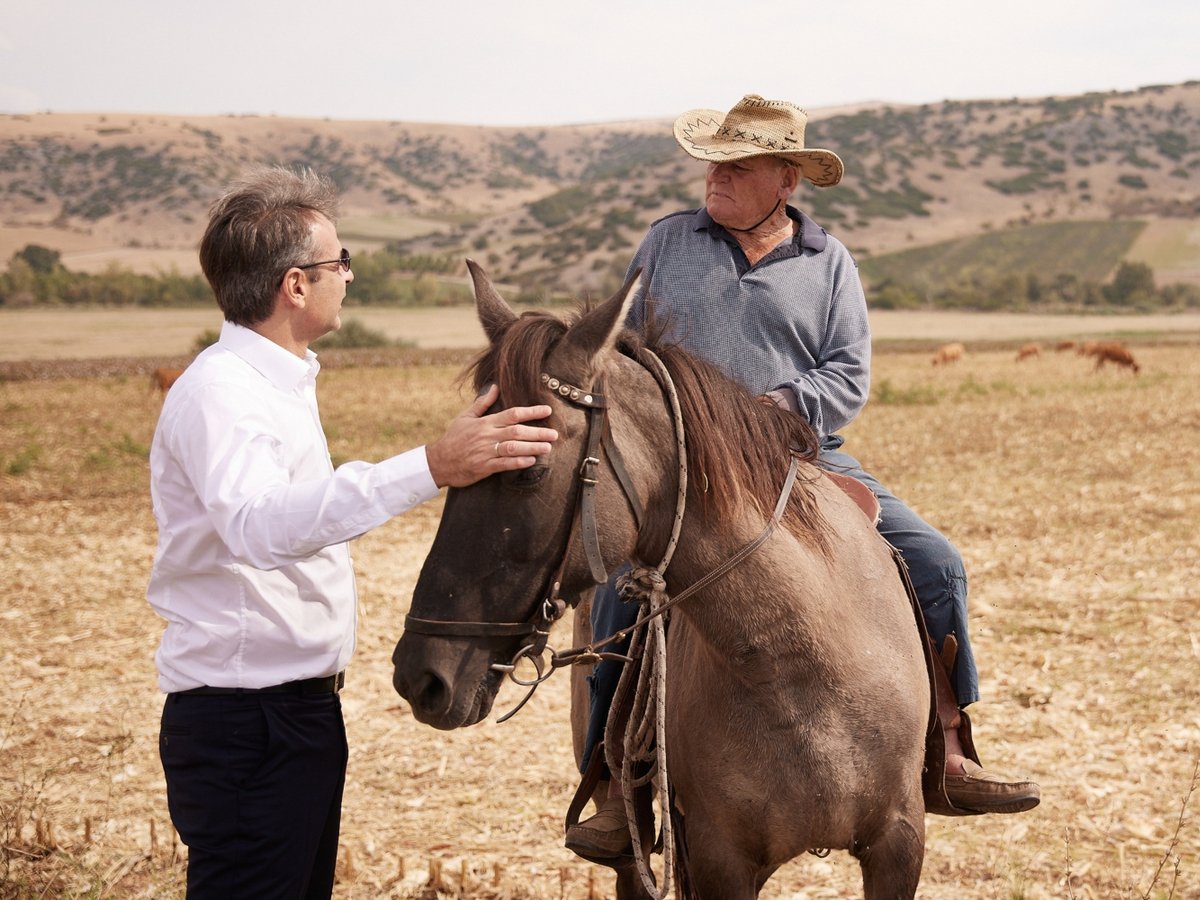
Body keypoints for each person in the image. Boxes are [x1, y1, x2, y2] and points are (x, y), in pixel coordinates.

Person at [564, 95, 1041, 861]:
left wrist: (773, 411)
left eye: (738, 166)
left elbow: (848, 374)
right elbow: (623, 352)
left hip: (801, 457)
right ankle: (620, 788)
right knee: (622, 590)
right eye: (713, 164)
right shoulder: (667, 242)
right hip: (683, 467)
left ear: (785, 180)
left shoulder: (829, 262)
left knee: (936, 563)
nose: (715, 178)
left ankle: (948, 751)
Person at [147, 166, 558, 899]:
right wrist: (432, 465)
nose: (350, 276)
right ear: (296, 285)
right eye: (340, 262)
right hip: (249, 723)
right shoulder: (223, 393)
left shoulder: (277, 382)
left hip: (288, 712)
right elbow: (255, 526)